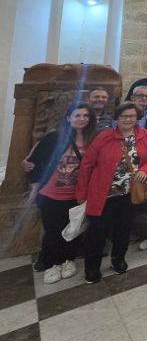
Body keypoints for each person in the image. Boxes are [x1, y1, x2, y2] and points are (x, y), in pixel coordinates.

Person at [76, 102, 147, 283]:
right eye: (124, 116)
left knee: (123, 230)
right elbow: (87, 165)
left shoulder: (145, 135)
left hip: (130, 194)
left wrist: (146, 169)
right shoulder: (104, 137)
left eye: (132, 116)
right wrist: (81, 193)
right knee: (97, 233)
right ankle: (92, 268)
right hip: (104, 194)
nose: (128, 119)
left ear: (137, 118)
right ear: (117, 118)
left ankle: (118, 259)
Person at [25, 103, 97, 283]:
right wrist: (35, 187)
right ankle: (53, 263)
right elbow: (33, 162)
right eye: (77, 115)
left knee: (72, 230)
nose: (81, 119)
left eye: (85, 116)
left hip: (77, 194)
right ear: (68, 118)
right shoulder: (55, 138)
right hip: (51, 192)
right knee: (53, 231)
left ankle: (68, 260)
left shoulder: (92, 140)